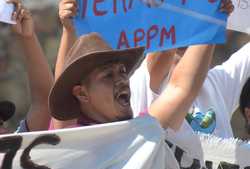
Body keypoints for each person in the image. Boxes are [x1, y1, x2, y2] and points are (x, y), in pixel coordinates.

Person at [49, 29, 215, 131]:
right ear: (82, 93)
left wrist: (211, 26)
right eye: (107, 75)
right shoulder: (70, 143)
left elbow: (181, 89)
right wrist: (68, 30)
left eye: (122, 71)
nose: (122, 80)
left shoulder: (138, 135)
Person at [0, 0, 54, 133]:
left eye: (1, 124)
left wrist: (28, 37)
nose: (3, 131)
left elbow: (45, 102)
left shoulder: (15, 149)